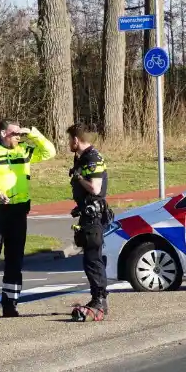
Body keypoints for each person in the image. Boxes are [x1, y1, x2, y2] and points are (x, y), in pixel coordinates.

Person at [0, 119, 56, 317]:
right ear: (4, 133)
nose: (19, 137)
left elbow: (50, 151)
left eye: (20, 134)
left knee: (15, 259)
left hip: (19, 211)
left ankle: (10, 304)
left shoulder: (23, 150)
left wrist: (32, 132)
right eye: (15, 134)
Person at [67, 124, 112, 317]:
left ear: (76, 140)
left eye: (70, 139)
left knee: (93, 259)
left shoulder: (92, 158)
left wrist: (78, 178)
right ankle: (97, 297)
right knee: (90, 258)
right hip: (88, 214)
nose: (68, 143)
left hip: (94, 217)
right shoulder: (83, 157)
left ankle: (99, 298)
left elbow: (95, 188)